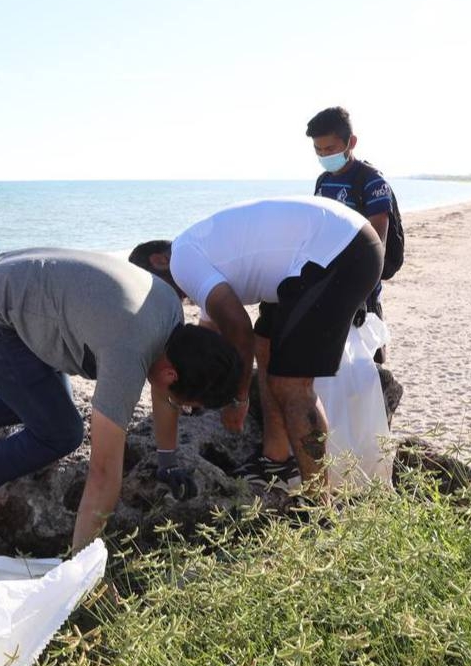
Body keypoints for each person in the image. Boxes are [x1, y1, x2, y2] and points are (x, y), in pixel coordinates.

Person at [0, 248, 241, 554]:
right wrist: (85, 569)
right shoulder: (128, 353)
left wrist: (168, 462)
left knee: (40, 398)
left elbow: (163, 391)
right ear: (171, 375)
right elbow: (103, 473)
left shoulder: (170, 313)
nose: (178, 407)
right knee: (60, 431)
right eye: (184, 403)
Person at [130, 197, 384, 494]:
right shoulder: (202, 261)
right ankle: (276, 458)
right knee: (267, 346)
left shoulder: (182, 261)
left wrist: (237, 400)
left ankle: (319, 504)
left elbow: (239, 329)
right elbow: (208, 340)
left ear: (159, 260)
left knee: (291, 384)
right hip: (324, 250)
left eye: (152, 288)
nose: (159, 301)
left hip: (337, 252)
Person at [305, 107, 393, 361]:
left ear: (350, 143)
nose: (324, 155)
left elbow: (377, 246)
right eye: (318, 150)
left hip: (362, 294)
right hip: (330, 289)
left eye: (330, 149)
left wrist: (358, 296)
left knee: (370, 371)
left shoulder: (372, 182)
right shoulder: (323, 182)